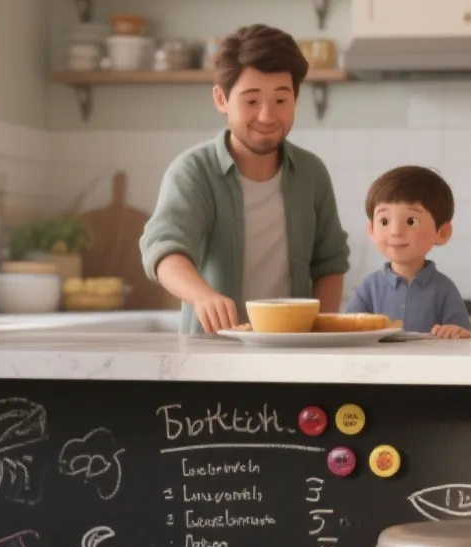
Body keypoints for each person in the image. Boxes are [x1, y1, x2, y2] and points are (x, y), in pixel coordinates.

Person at [139, 24, 349, 333]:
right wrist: (203, 296)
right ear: (221, 99)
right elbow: (164, 248)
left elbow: (330, 264)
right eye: (251, 101)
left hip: (295, 355)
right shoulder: (193, 171)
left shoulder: (311, 173)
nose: (267, 116)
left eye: (281, 100)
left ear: (296, 98)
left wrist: (320, 331)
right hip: (212, 355)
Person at [344, 166, 471, 339]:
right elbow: (347, 329)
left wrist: (457, 333)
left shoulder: (444, 289)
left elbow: (462, 336)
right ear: (372, 229)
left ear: (442, 232)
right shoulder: (369, 287)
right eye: (384, 221)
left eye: (411, 221)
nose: (395, 232)